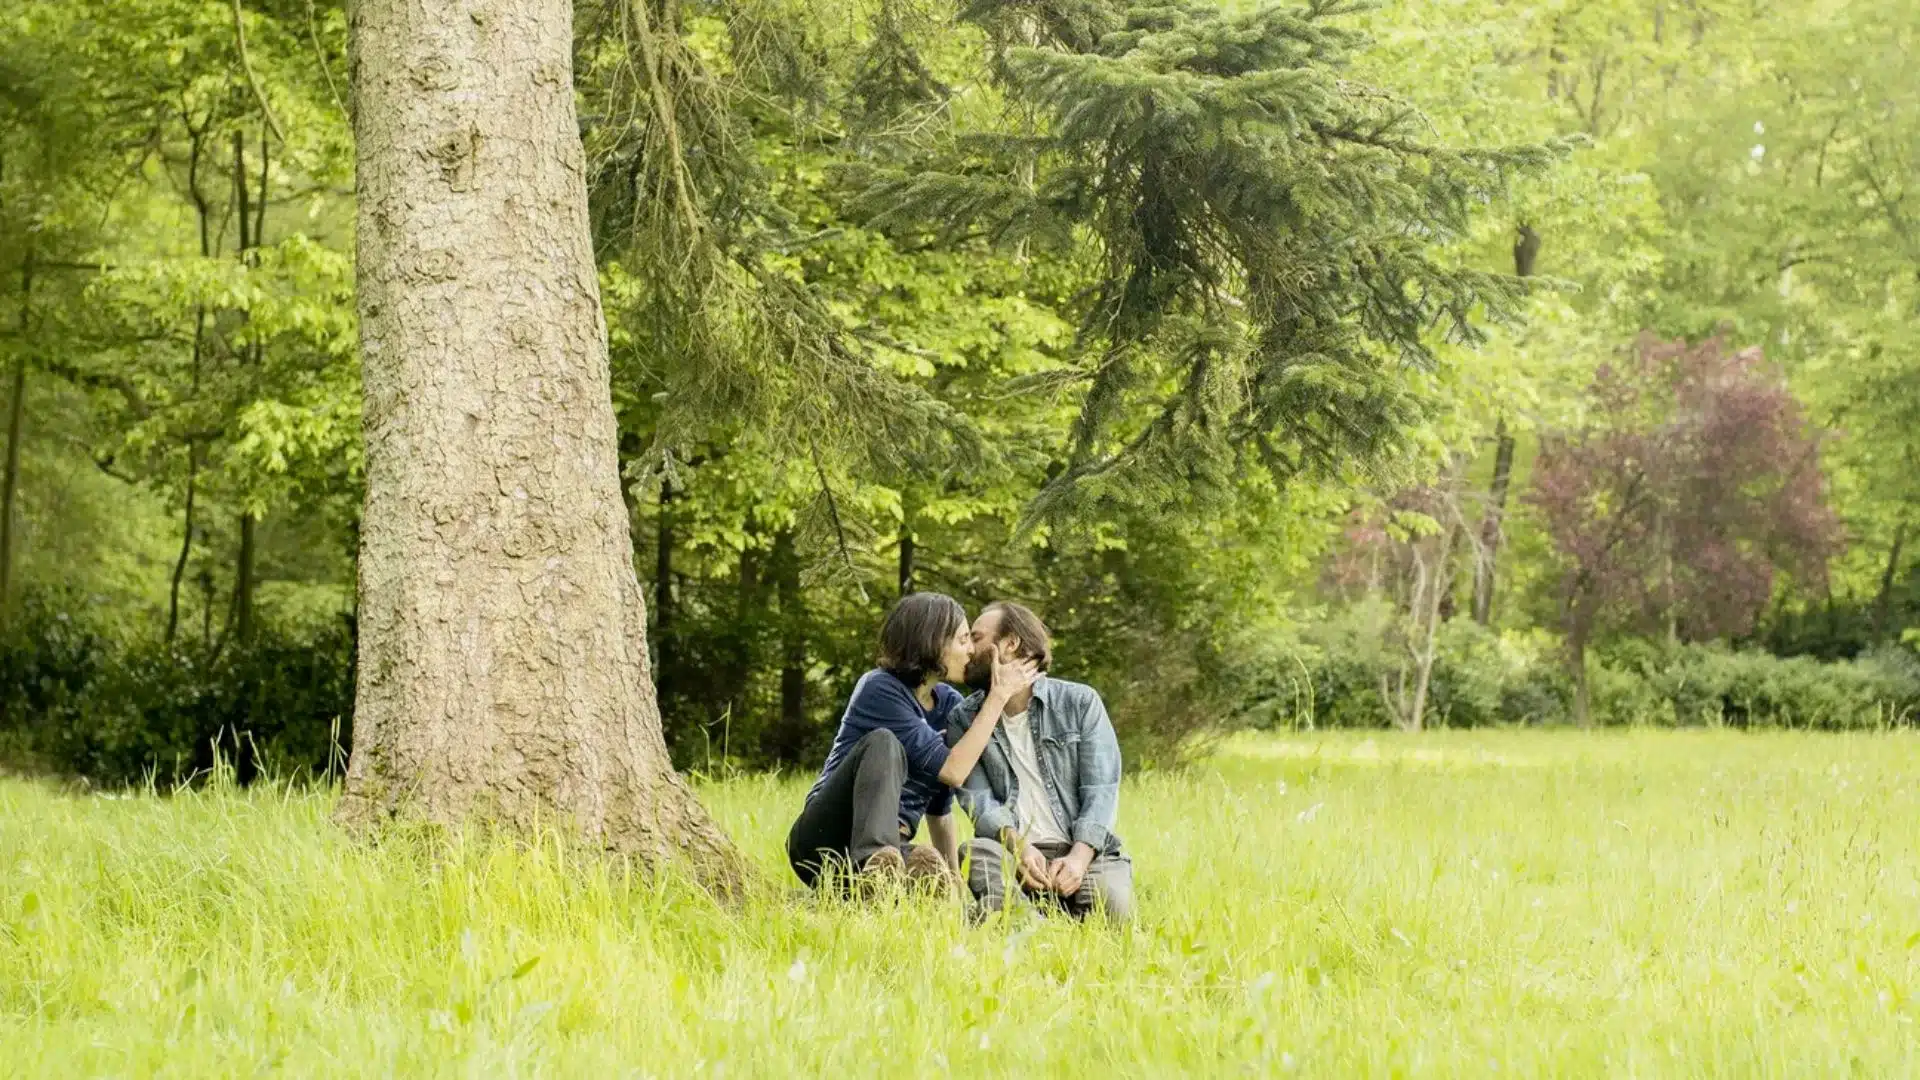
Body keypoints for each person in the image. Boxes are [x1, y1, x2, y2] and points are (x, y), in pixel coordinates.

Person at [786, 592, 1038, 894]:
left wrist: (956, 880)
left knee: (927, 864)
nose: (971, 650)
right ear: (932, 643)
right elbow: (954, 770)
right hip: (824, 839)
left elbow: (940, 808)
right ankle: (874, 865)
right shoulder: (879, 688)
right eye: (961, 640)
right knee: (883, 742)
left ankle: (884, 880)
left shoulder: (948, 705)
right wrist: (998, 696)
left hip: (895, 844)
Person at [946, 601, 1133, 922]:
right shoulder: (964, 718)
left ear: (1010, 643)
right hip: (1012, 853)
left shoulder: (1079, 702)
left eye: (975, 638)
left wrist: (1078, 859)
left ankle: (1020, 918)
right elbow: (979, 801)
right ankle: (1035, 926)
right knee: (976, 853)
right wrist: (1020, 849)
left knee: (1114, 914)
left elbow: (1101, 789)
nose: (966, 649)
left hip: (1083, 851)